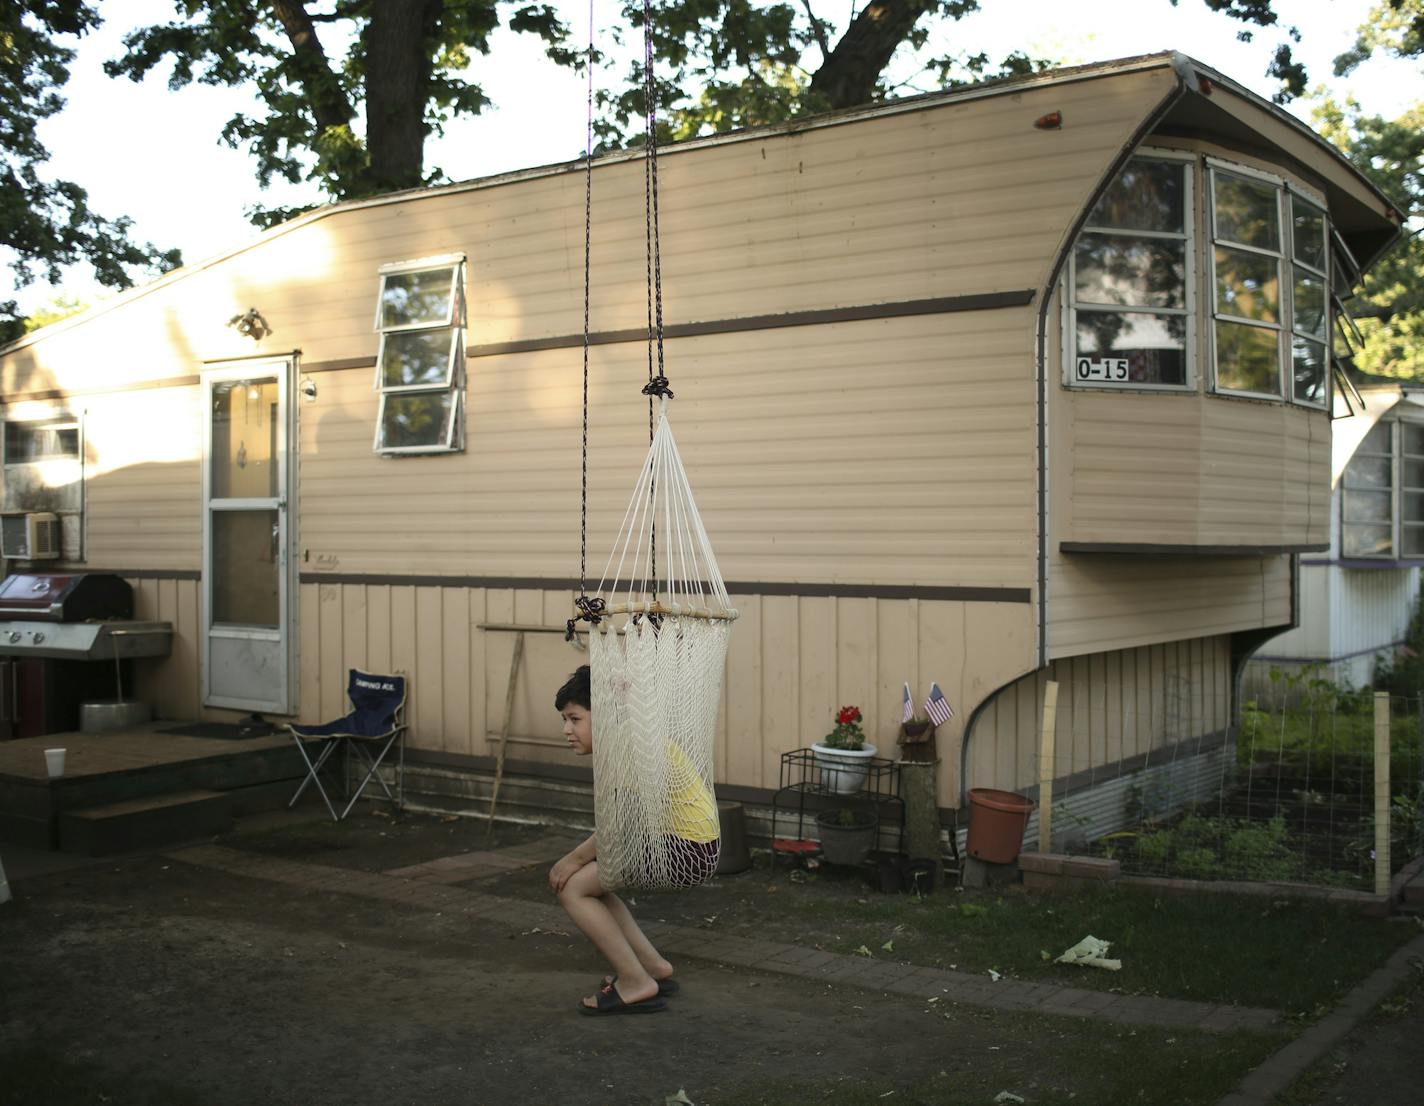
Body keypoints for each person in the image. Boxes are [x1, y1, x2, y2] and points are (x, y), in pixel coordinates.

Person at [550, 663, 714, 1015]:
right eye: (565, 719)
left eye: (575, 719)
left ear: (605, 715)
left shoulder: (626, 743)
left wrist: (573, 859)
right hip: (693, 844)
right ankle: (653, 968)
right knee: (593, 886)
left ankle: (635, 981)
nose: (567, 729)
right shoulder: (630, 735)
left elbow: (619, 825)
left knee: (573, 888)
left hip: (682, 847)